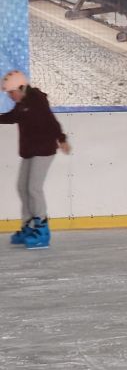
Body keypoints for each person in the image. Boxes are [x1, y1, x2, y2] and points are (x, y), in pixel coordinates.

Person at [1, 71, 70, 249]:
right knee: (22, 187)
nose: (10, 96)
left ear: (22, 88)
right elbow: (11, 117)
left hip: (44, 150)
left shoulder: (37, 100)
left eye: (11, 92)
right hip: (30, 151)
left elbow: (51, 121)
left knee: (33, 188)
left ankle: (42, 230)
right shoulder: (21, 104)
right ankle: (29, 226)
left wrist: (62, 139)